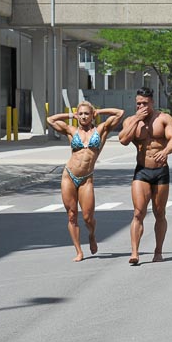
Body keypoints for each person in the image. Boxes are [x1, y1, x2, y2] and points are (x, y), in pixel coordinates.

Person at [47, 102, 124, 262]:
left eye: (86, 114)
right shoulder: (71, 131)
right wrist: (71, 115)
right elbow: (50, 120)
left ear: (92, 115)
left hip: (86, 178)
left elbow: (119, 113)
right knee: (72, 215)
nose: (83, 117)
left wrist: (99, 111)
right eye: (80, 114)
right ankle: (79, 251)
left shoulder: (101, 130)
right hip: (69, 175)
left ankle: (91, 235)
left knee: (88, 217)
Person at [118, 87, 172, 265]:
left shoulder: (164, 119)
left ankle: (158, 251)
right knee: (138, 212)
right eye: (138, 104)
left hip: (161, 171)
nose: (141, 106)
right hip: (142, 170)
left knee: (160, 212)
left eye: (145, 103)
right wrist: (136, 120)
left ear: (152, 102)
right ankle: (134, 253)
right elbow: (123, 140)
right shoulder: (131, 120)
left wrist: (166, 151)